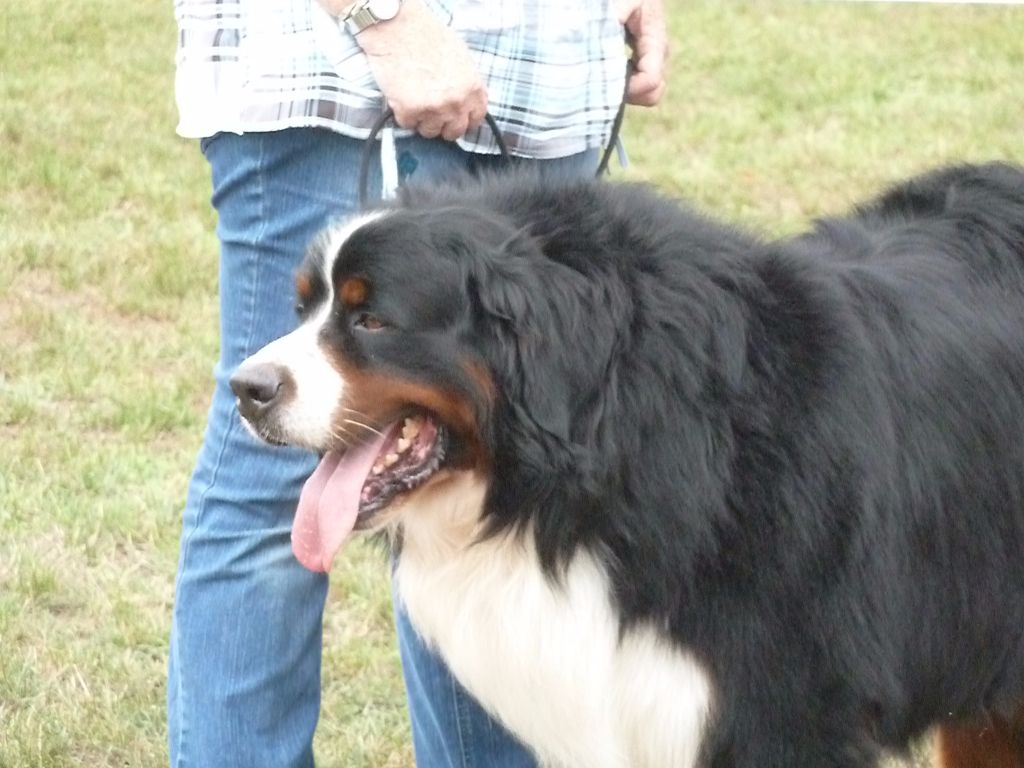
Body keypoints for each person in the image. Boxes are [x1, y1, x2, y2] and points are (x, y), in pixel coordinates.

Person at [167, 1, 667, 766]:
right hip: (344, 79)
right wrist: (381, 18)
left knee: (508, 483)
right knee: (279, 466)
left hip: (551, 81)